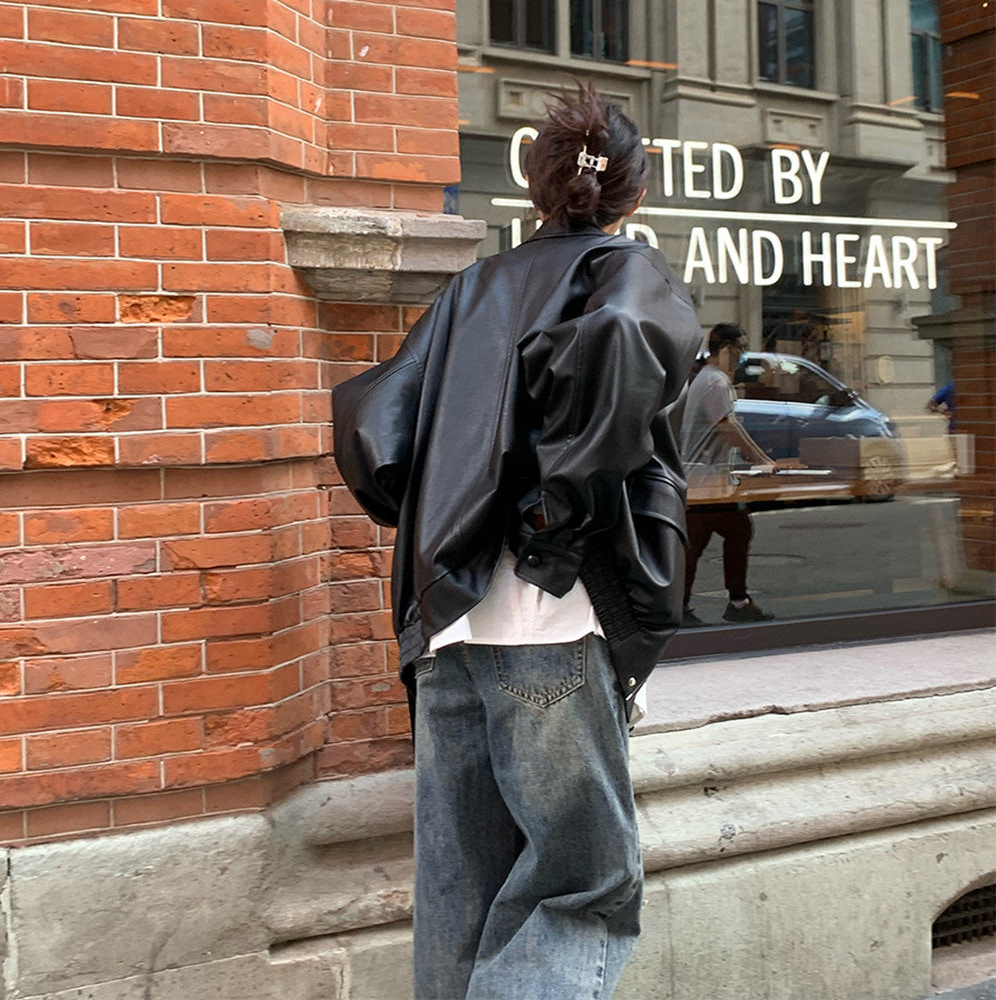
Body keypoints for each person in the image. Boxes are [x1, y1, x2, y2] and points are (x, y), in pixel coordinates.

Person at [332, 85, 701, 1000]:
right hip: (553, 624)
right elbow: (622, 347)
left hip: (450, 624)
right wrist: (550, 533)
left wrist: (453, 531)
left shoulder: (472, 289)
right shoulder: (625, 273)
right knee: (581, 891)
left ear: (537, 189)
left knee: (459, 896)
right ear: (633, 193)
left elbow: (375, 428)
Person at [680, 323, 779, 626]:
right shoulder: (716, 381)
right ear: (726, 349)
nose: (741, 356)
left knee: (730, 533)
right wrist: (761, 460)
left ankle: (733, 602)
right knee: (703, 541)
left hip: (709, 479)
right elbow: (727, 426)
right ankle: (721, 604)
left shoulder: (707, 378)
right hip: (707, 482)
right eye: (739, 348)